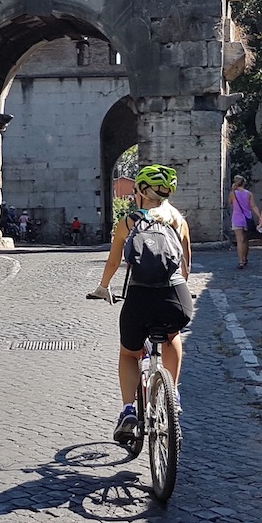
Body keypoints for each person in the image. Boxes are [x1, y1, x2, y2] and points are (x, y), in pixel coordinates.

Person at [87, 163, 193, 445]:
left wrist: (103, 287)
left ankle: (129, 410)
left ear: (143, 192)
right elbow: (186, 265)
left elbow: (113, 261)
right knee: (173, 335)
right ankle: (174, 395)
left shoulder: (129, 222)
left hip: (140, 297)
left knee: (128, 353)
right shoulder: (178, 220)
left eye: (135, 190)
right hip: (175, 297)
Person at [229, 175, 258, 269]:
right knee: (245, 240)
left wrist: (233, 190)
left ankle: (240, 261)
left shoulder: (233, 194)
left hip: (237, 218)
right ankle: (245, 258)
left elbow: (230, 203)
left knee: (239, 240)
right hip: (247, 218)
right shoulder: (249, 194)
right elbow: (253, 206)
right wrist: (260, 216)